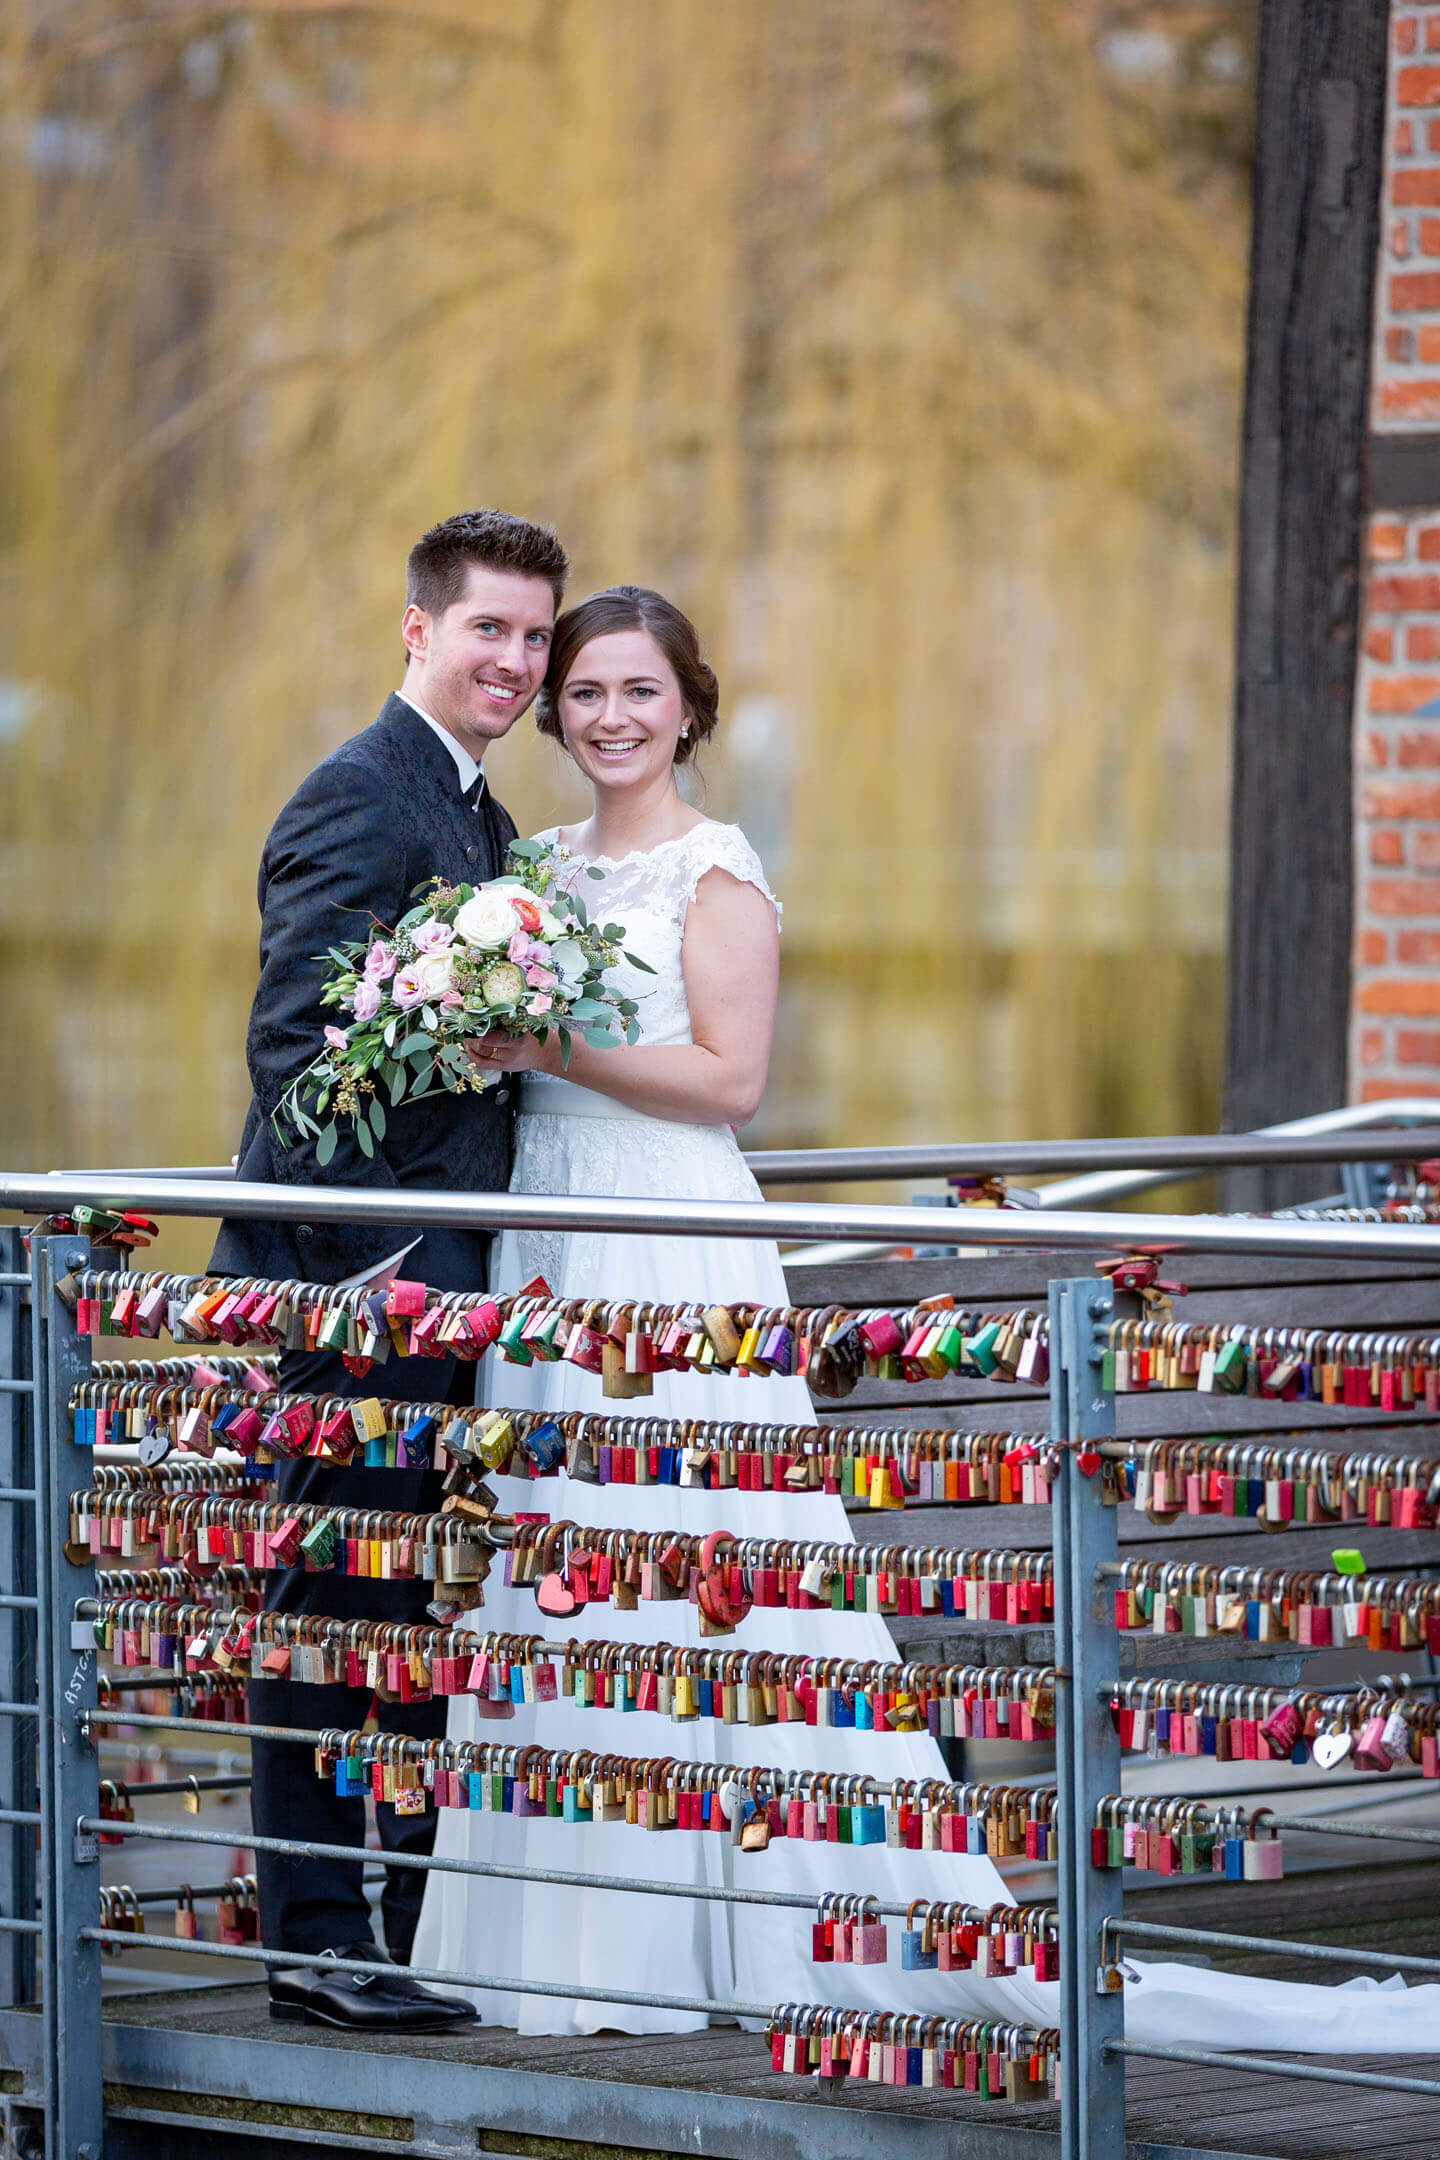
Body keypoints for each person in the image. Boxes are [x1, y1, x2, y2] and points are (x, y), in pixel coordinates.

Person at [411, 587, 1054, 2035]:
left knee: (687, 1552)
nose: (610, 718)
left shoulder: (718, 870)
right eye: (585, 693)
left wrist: (556, 1047)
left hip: (669, 1237)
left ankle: (724, 1929)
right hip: (546, 1236)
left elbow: (731, 1081)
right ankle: (564, 1934)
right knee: (552, 1549)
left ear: (690, 707)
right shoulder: (529, 867)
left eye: (640, 691)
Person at [210, 507, 568, 2032]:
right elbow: (295, 1060)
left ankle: (412, 1916)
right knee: (327, 1595)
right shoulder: (361, 796)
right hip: (368, 1292)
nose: (517, 661)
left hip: (457, 1288)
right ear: (419, 629)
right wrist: (379, 1277)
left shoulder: (483, 814)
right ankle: (313, 1940)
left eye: (535, 636)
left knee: (420, 1605)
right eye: (489, 628)